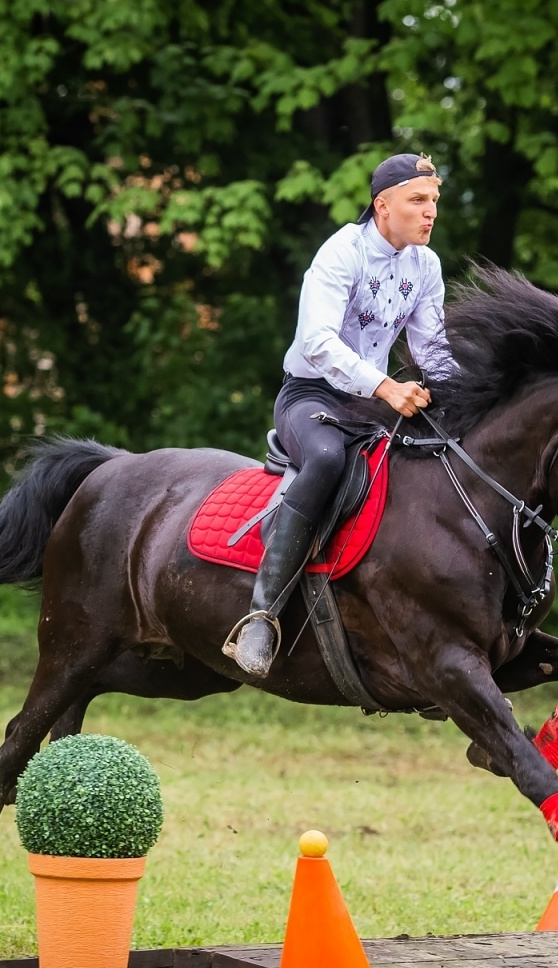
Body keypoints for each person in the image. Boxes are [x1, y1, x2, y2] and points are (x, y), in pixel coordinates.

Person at [223, 152, 452, 677]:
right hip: (311, 397)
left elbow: (434, 349)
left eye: (434, 201)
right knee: (326, 459)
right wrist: (386, 385)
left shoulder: (426, 265)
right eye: (417, 201)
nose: (430, 212)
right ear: (382, 205)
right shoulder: (340, 254)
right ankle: (261, 615)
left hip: (372, 402)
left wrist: (463, 398)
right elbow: (317, 342)